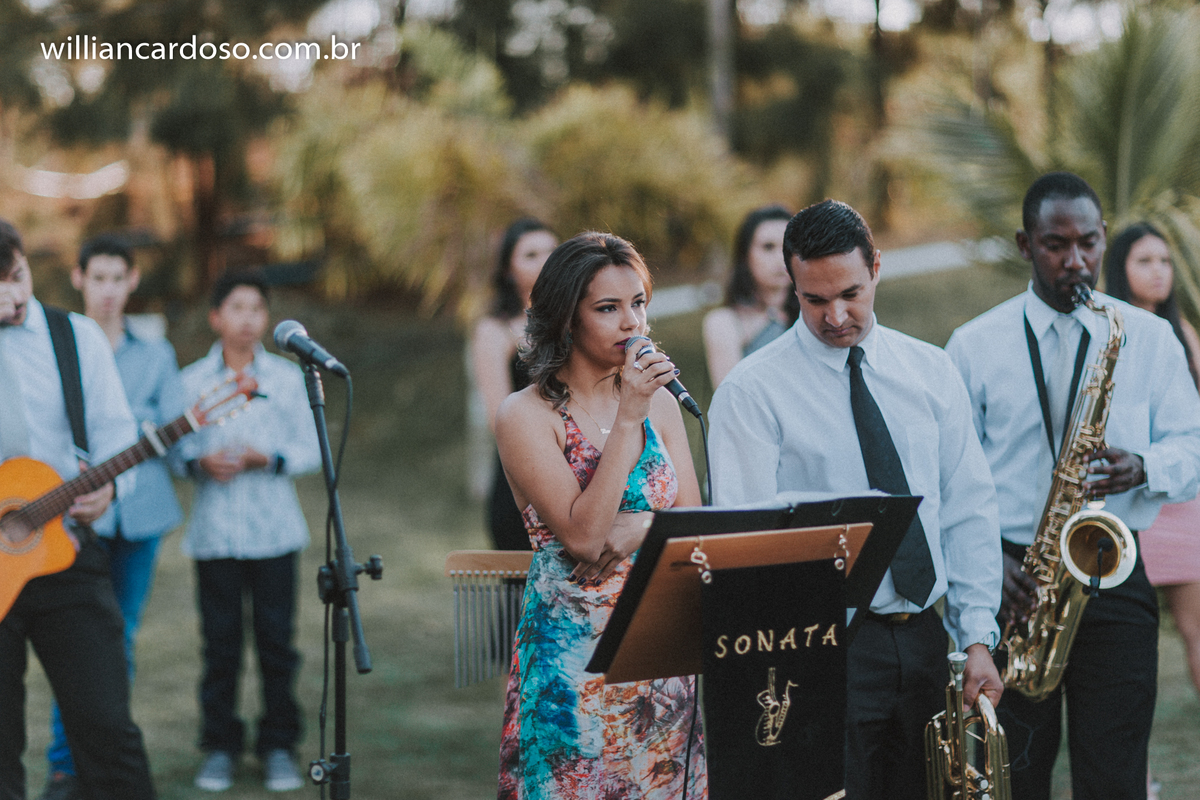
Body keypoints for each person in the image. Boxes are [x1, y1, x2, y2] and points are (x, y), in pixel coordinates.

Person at [707, 199, 1004, 800]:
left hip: (927, 639)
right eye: (813, 300)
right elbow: (745, 548)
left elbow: (968, 507)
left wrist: (976, 638)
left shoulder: (932, 370)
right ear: (792, 282)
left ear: (876, 267)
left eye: (850, 293)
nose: (835, 315)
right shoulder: (751, 391)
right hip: (820, 648)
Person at [945, 173, 1200, 800]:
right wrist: (984, 568)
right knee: (1018, 775)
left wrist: (1143, 466)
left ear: (1104, 239)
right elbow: (948, 477)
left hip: (1113, 573)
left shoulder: (1146, 335)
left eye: (1088, 242)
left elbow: (1193, 445)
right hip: (1015, 581)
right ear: (1025, 244)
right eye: (1056, 244)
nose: (1076, 260)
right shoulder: (974, 346)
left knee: (1114, 775)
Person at [494, 232, 707, 799]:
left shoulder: (661, 402)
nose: (631, 323)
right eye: (608, 308)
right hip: (573, 665)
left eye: (638, 303)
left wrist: (643, 528)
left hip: (661, 654)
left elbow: (697, 528)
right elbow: (585, 536)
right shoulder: (525, 415)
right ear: (566, 318)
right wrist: (630, 416)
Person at [0, 220, 156, 800]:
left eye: (15, 276)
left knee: (106, 729)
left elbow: (119, 437)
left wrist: (111, 489)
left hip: (67, 557)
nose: (12, 297)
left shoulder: (77, 337)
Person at [32, 235, 185, 800]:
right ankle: (65, 767)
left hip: (138, 517)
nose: (108, 290)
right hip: (66, 521)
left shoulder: (155, 355)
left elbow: (174, 434)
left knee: (119, 640)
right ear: (78, 279)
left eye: (118, 278)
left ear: (132, 282)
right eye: (98, 278)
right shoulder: (57, 342)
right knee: (73, 642)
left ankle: (101, 762)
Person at [175, 272, 320, 793]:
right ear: (216, 316)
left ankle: (278, 743)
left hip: (274, 533)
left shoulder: (286, 379)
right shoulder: (191, 380)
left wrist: (271, 458)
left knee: (277, 643)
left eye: (256, 308)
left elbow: (309, 447)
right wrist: (198, 461)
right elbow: (174, 450)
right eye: (236, 307)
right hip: (215, 535)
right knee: (220, 645)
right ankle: (219, 746)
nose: (247, 318)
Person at [470, 219, 558, 550]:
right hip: (522, 477)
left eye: (552, 250)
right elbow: (499, 417)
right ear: (508, 270)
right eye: (531, 254)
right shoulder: (496, 330)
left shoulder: (580, 319)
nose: (545, 260)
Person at [702, 204, 798, 387]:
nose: (781, 257)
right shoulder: (725, 322)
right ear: (746, 256)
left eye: (789, 246)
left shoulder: (814, 314)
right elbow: (731, 400)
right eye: (768, 247)